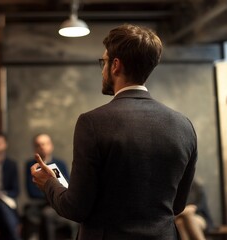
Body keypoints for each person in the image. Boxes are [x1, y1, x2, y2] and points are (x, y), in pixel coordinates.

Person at [31, 24, 197, 240]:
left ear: (116, 65)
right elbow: (177, 205)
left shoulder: (92, 123)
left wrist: (49, 183)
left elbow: (75, 208)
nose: (103, 69)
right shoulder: (184, 125)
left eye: (104, 62)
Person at [23, 133, 74, 240]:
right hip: (41, 203)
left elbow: (66, 186)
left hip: (57, 201)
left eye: (45, 144)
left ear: (51, 146)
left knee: (48, 214)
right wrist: (52, 192)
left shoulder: (60, 163)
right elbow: (31, 192)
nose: (42, 147)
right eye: (39, 144)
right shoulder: (31, 165)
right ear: (35, 148)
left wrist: (48, 190)